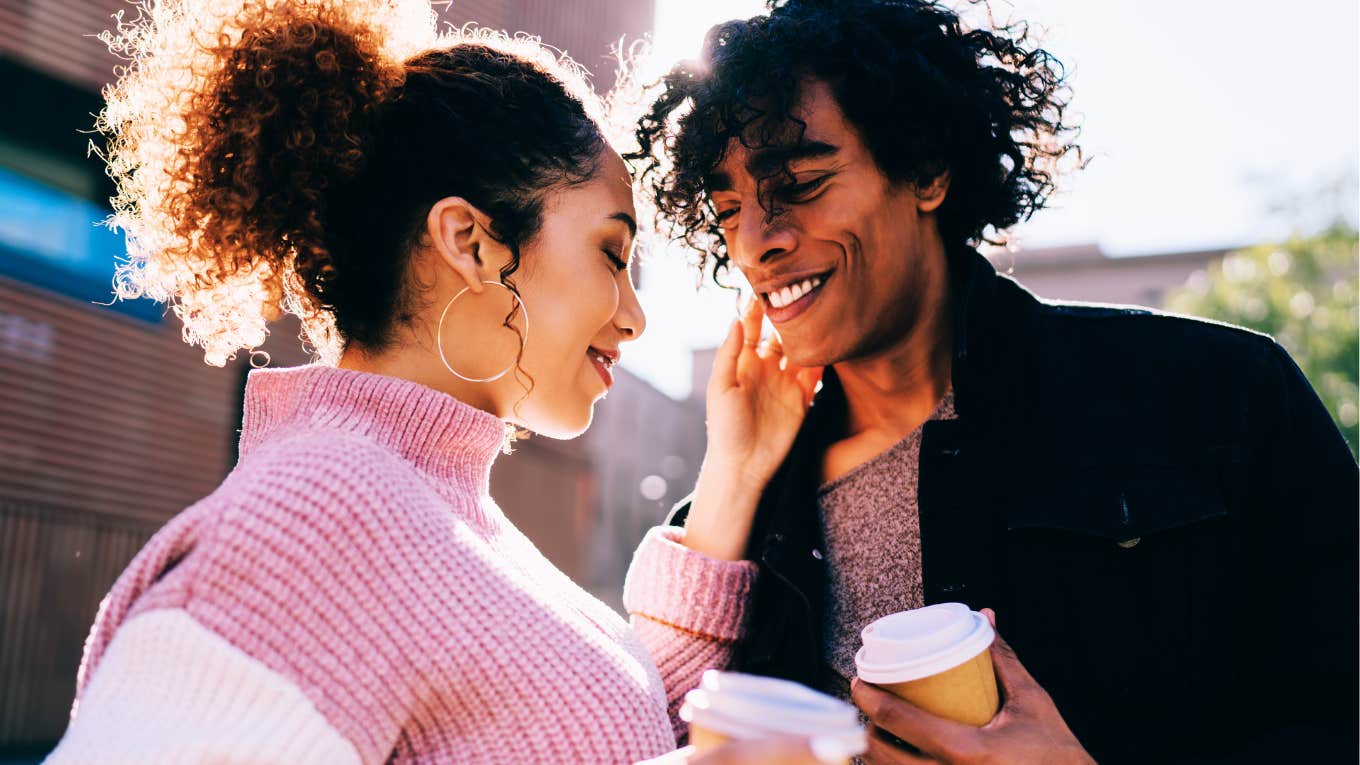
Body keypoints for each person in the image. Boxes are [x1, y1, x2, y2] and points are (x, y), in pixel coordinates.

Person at [42, 1, 834, 763]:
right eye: (611, 253)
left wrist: (732, 471)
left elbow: (610, 735)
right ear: (470, 240)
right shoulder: (317, 517)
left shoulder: (429, 511)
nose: (634, 318)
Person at [629, 0, 1360, 762]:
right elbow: (646, 734)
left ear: (927, 169)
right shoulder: (741, 515)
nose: (756, 242)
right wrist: (731, 477)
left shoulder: (1221, 397)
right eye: (727, 208)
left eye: (802, 184)